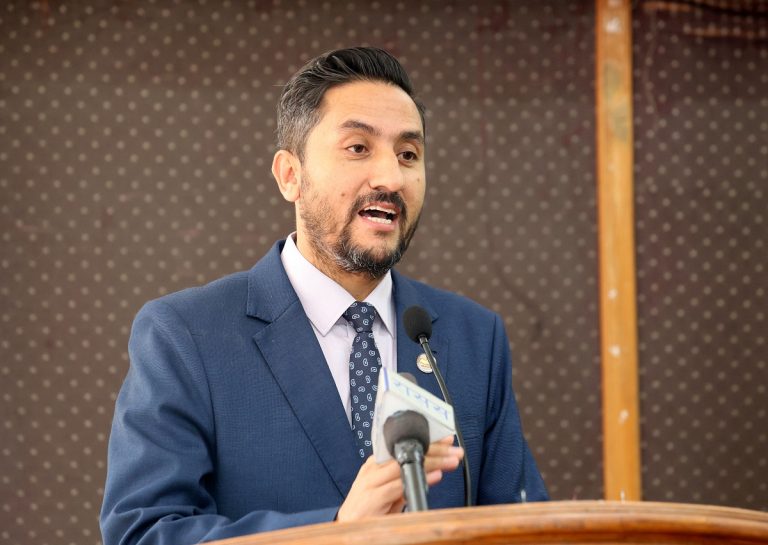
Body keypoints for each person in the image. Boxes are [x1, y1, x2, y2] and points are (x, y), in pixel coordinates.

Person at [100, 46, 548, 545]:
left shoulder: (473, 337)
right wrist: (336, 532)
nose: (390, 178)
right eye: (358, 148)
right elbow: (143, 533)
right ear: (290, 175)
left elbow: (522, 527)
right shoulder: (186, 335)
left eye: (408, 154)